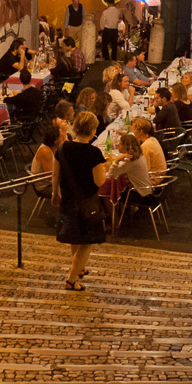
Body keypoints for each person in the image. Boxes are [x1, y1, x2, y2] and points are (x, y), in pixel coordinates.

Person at [51, 111, 107, 291]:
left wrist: (54, 194)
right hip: (87, 202)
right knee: (87, 242)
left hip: (68, 199)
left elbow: (55, 174)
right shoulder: (94, 153)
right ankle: (71, 279)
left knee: (74, 237)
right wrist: (104, 168)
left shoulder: (62, 148)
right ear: (92, 130)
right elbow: (99, 181)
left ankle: (79, 268)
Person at [108, 132, 155, 201]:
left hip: (143, 196)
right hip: (148, 190)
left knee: (114, 193)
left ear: (125, 147)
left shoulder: (131, 162)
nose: (118, 145)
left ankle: (119, 211)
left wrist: (116, 160)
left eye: (120, 144)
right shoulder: (139, 155)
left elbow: (111, 174)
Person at [131, 117, 167, 182]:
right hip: (161, 174)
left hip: (154, 179)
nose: (133, 132)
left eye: (134, 129)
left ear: (141, 131)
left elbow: (145, 169)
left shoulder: (145, 147)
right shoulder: (153, 139)